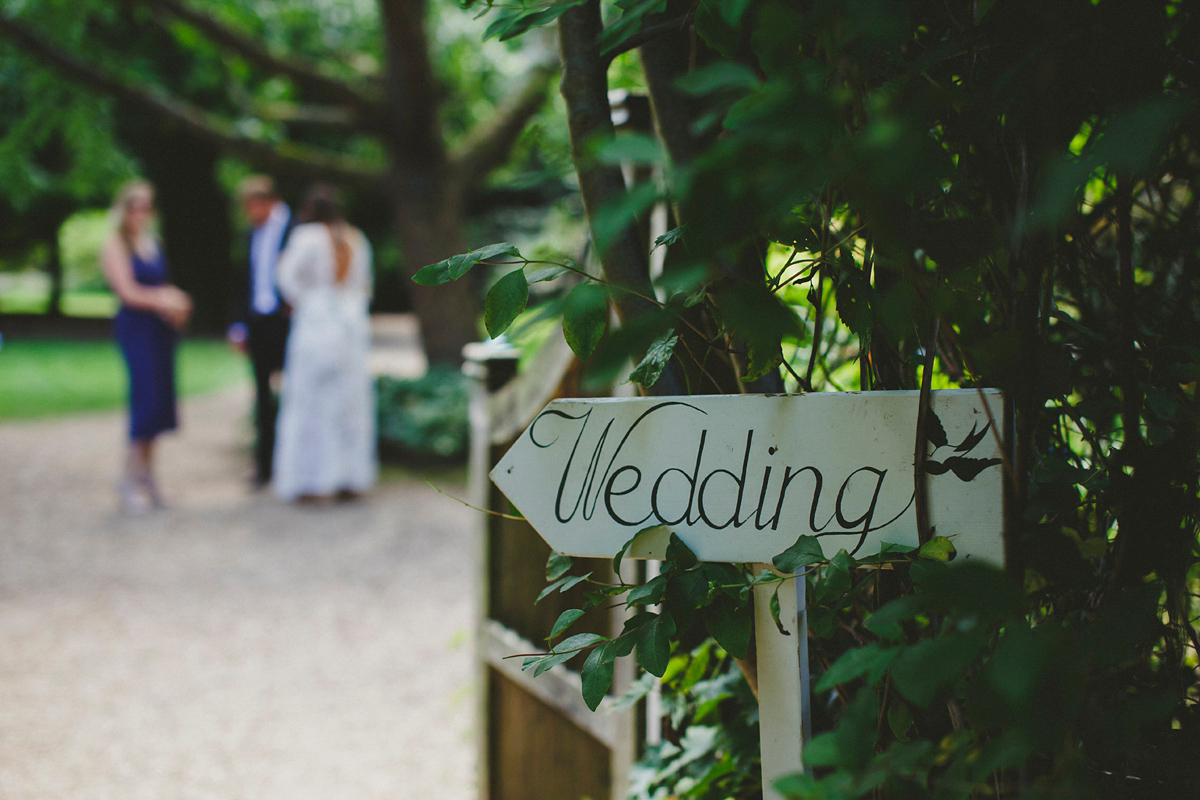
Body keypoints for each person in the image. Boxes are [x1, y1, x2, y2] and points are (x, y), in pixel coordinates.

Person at [272, 185, 377, 502]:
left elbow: (286, 278)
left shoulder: (306, 237)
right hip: (350, 326)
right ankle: (349, 477)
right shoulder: (357, 238)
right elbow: (364, 285)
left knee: (309, 402)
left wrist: (302, 299)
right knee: (350, 404)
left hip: (316, 324)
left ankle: (310, 481)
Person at [101, 180, 193, 513]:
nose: (141, 212)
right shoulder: (115, 244)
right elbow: (128, 292)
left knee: (160, 403)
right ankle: (128, 479)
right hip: (137, 329)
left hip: (160, 330)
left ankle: (149, 477)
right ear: (124, 209)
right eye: (135, 205)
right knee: (145, 399)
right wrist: (165, 299)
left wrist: (176, 304)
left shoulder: (152, 242)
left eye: (146, 206)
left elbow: (160, 283)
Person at [228, 175, 293, 488]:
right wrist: (238, 324)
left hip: (288, 323)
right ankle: (263, 465)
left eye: (255, 206)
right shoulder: (251, 233)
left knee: (294, 393)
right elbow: (245, 281)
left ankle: (291, 462)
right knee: (262, 395)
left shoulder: (296, 229)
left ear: (270, 202)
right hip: (258, 322)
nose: (252, 213)